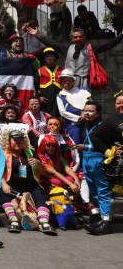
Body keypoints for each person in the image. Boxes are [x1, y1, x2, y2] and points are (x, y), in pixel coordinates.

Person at [0, 129, 57, 236]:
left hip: (31, 185)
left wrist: (38, 164)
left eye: (20, 140)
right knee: (3, 191)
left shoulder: (30, 152)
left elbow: (43, 171)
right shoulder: (3, 154)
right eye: (15, 140)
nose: (18, 142)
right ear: (8, 140)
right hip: (12, 185)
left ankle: (44, 222)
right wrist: (3, 183)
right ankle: (14, 221)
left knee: (40, 194)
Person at [75, 100, 120, 235]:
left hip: (100, 159)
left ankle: (106, 221)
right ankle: (101, 218)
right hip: (87, 160)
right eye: (86, 110)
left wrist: (86, 147)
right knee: (93, 191)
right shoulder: (85, 125)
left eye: (91, 111)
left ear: (98, 113)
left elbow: (106, 145)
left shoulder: (104, 125)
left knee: (103, 190)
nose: (88, 113)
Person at [56, 69, 91, 145]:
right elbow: (63, 112)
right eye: (64, 81)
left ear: (73, 81)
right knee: (76, 144)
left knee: (89, 143)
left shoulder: (83, 91)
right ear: (61, 83)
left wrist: (86, 114)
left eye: (69, 80)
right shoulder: (60, 95)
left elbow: (91, 104)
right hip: (73, 125)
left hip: (88, 121)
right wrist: (78, 118)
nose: (67, 83)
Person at [38, 47, 63, 116]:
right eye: (47, 56)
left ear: (55, 58)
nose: (49, 58)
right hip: (46, 97)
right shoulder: (40, 70)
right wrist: (39, 97)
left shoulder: (62, 70)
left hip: (58, 96)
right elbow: (35, 85)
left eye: (51, 56)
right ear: (44, 59)